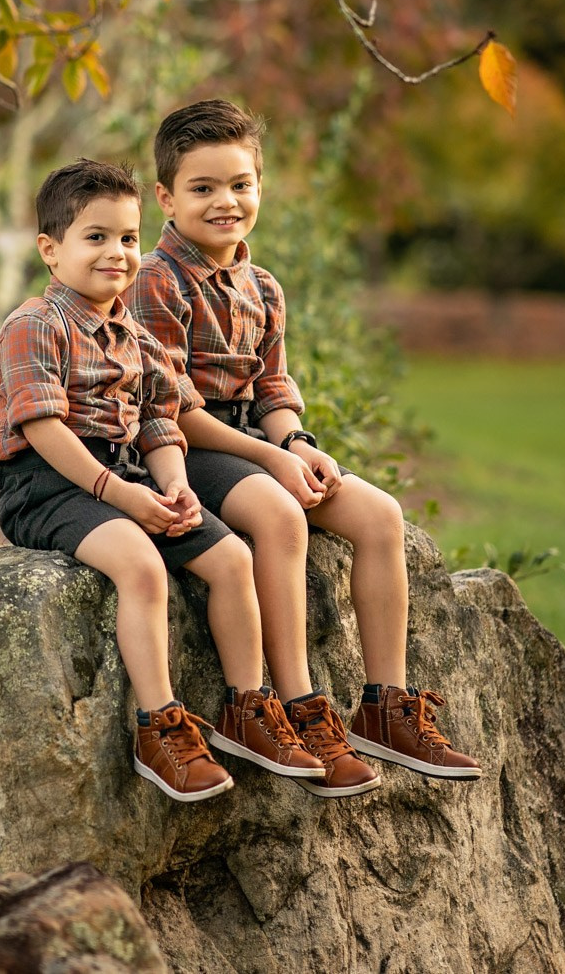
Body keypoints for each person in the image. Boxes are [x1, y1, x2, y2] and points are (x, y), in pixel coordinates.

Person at [125, 99, 483, 797]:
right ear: (165, 197)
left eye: (241, 184)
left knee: (379, 515)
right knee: (280, 514)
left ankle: (384, 706)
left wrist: (295, 441)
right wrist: (271, 458)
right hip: (183, 444)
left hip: (257, 443)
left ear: (260, 185)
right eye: (203, 188)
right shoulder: (154, 280)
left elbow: (273, 387)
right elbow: (171, 407)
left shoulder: (262, 286)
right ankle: (295, 706)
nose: (226, 202)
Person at [0, 158, 326, 802]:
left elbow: (160, 423)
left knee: (231, 557)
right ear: (50, 249)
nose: (116, 253)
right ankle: (160, 728)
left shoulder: (136, 337)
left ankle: (247, 708)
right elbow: (43, 429)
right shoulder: (35, 324)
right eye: (95, 237)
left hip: (129, 474)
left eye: (127, 238)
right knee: (141, 564)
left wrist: (175, 487)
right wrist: (119, 496)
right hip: (48, 485)